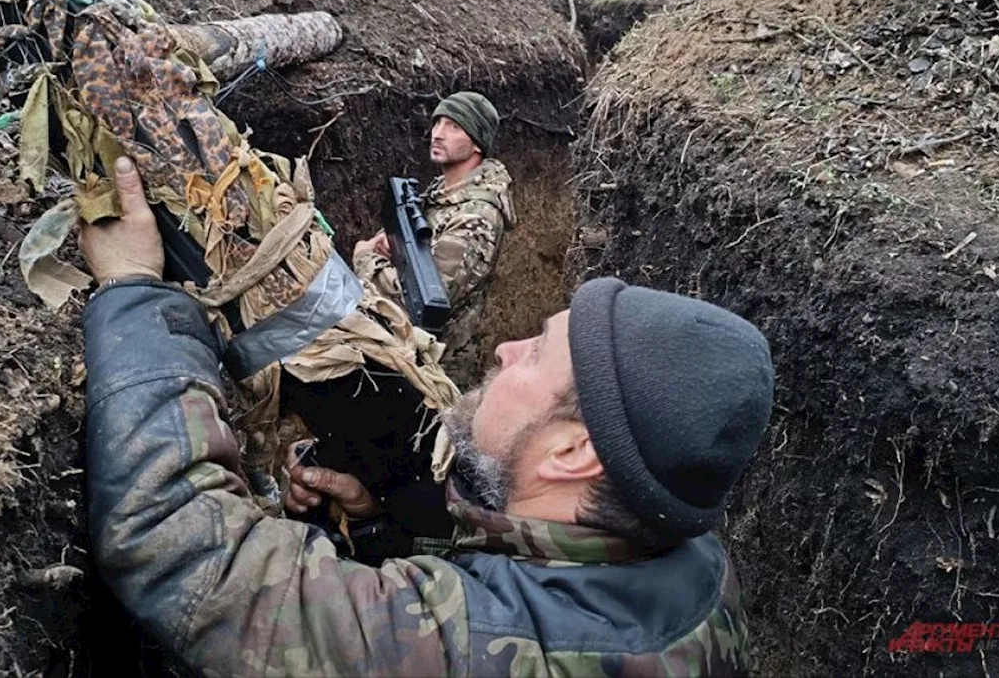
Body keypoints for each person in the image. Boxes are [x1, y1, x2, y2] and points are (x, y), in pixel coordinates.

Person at [80, 157, 773, 677]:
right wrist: (382, 525)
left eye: (534, 355)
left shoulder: (466, 650)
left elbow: (175, 540)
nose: (505, 348)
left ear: (572, 452)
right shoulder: (696, 563)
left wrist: (133, 293)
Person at [354, 91, 515, 383]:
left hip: (438, 372)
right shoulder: (443, 191)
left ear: (477, 143)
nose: (438, 134)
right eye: (437, 122)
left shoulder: (477, 218)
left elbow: (423, 302)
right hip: (406, 357)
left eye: (454, 127)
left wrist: (365, 259)